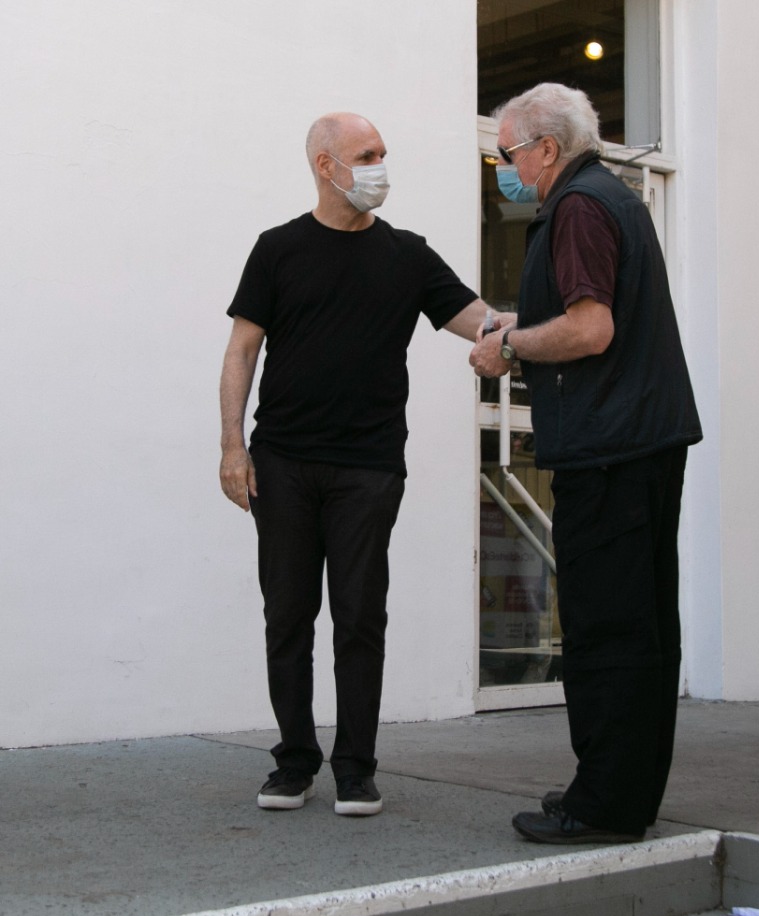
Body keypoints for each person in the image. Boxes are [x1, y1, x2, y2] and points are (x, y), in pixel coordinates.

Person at [220, 112, 506, 816]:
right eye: (366, 154)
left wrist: (531, 334)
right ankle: (293, 761)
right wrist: (232, 444)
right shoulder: (279, 249)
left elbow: (477, 318)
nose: (380, 165)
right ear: (326, 165)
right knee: (287, 614)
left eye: (382, 152)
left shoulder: (407, 255)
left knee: (359, 615)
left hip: (369, 467)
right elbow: (242, 350)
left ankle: (356, 768)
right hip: (281, 462)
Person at [471, 83, 702, 845]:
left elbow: (591, 327)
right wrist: (518, 323)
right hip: (638, 443)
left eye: (508, 155)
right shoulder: (610, 198)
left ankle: (601, 804)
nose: (505, 169)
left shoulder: (575, 207)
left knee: (606, 631)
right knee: (642, 626)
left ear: (546, 148)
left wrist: (508, 346)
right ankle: (623, 788)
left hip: (610, 451)